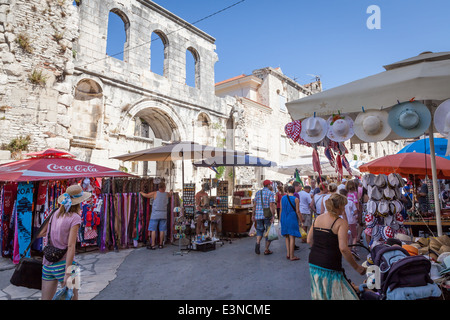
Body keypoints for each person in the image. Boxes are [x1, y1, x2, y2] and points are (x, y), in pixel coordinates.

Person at [307, 193, 366, 300]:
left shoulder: (318, 218)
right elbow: (343, 248)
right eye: (343, 206)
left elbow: (309, 240)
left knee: (321, 295)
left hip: (314, 262)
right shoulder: (340, 222)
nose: (344, 208)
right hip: (330, 265)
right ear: (339, 206)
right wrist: (357, 267)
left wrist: (321, 248)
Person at [39, 184, 92, 300]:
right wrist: (68, 272)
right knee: (73, 297)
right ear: (79, 202)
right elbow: (71, 246)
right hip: (64, 264)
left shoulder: (54, 213)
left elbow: (42, 233)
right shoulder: (75, 218)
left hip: (48, 264)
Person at [140, 182, 172, 250]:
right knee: (162, 230)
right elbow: (171, 194)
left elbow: (146, 195)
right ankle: (160, 244)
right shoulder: (167, 194)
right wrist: (171, 191)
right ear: (164, 187)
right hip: (163, 214)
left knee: (153, 229)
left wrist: (141, 192)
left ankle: (153, 245)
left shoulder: (155, 193)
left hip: (155, 214)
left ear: (158, 187)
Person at [252, 180, 276, 255]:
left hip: (258, 215)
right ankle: (266, 249)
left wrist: (253, 215)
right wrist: (273, 215)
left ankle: (258, 242)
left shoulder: (258, 192)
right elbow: (271, 205)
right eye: (270, 184)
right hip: (267, 215)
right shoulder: (270, 193)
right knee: (268, 232)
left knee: (259, 230)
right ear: (268, 185)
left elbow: (254, 205)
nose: (271, 186)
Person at [280, 186, 303, 261]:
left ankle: (288, 254)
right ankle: (292, 256)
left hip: (284, 217)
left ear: (287, 191)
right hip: (292, 218)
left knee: (287, 236)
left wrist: (280, 219)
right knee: (292, 236)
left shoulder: (283, 198)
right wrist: (301, 219)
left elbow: (281, 209)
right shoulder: (296, 199)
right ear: (294, 192)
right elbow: (298, 211)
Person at [339, 189, 359, 260]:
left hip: (342, 221)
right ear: (347, 194)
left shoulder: (339, 203)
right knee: (354, 236)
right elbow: (356, 211)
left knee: (346, 236)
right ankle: (353, 248)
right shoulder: (350, 202)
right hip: (351, 220)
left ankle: (348, 250)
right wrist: (355, 214)